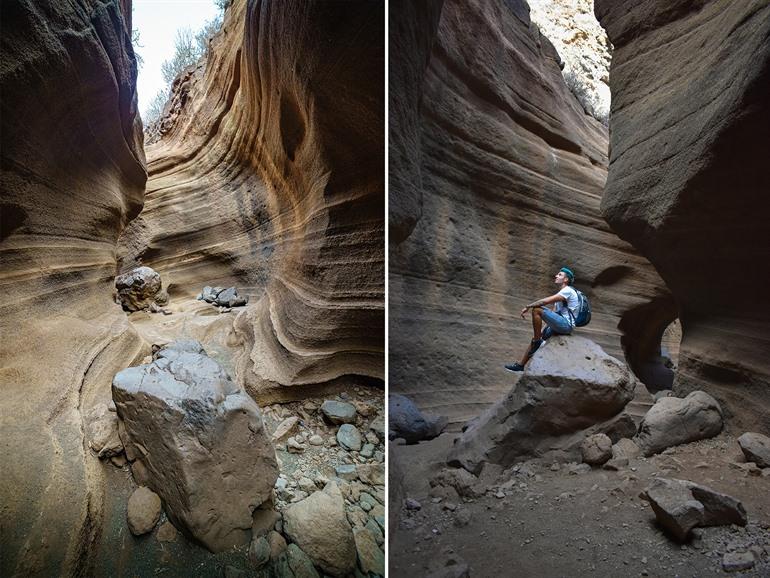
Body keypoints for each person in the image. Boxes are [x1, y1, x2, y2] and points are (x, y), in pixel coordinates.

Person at [505, 267, 579, 372]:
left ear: (566, 280)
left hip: (565, 325)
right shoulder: (562, 292)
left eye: (560, 275)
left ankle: (537, 341)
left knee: (537, 310)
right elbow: (553, 314)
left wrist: (528, 306)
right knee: (536, 337)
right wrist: (541, 331)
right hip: (559, 323)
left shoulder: (568, 291)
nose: (556, 276)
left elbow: (545, 301)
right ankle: (521, 366)